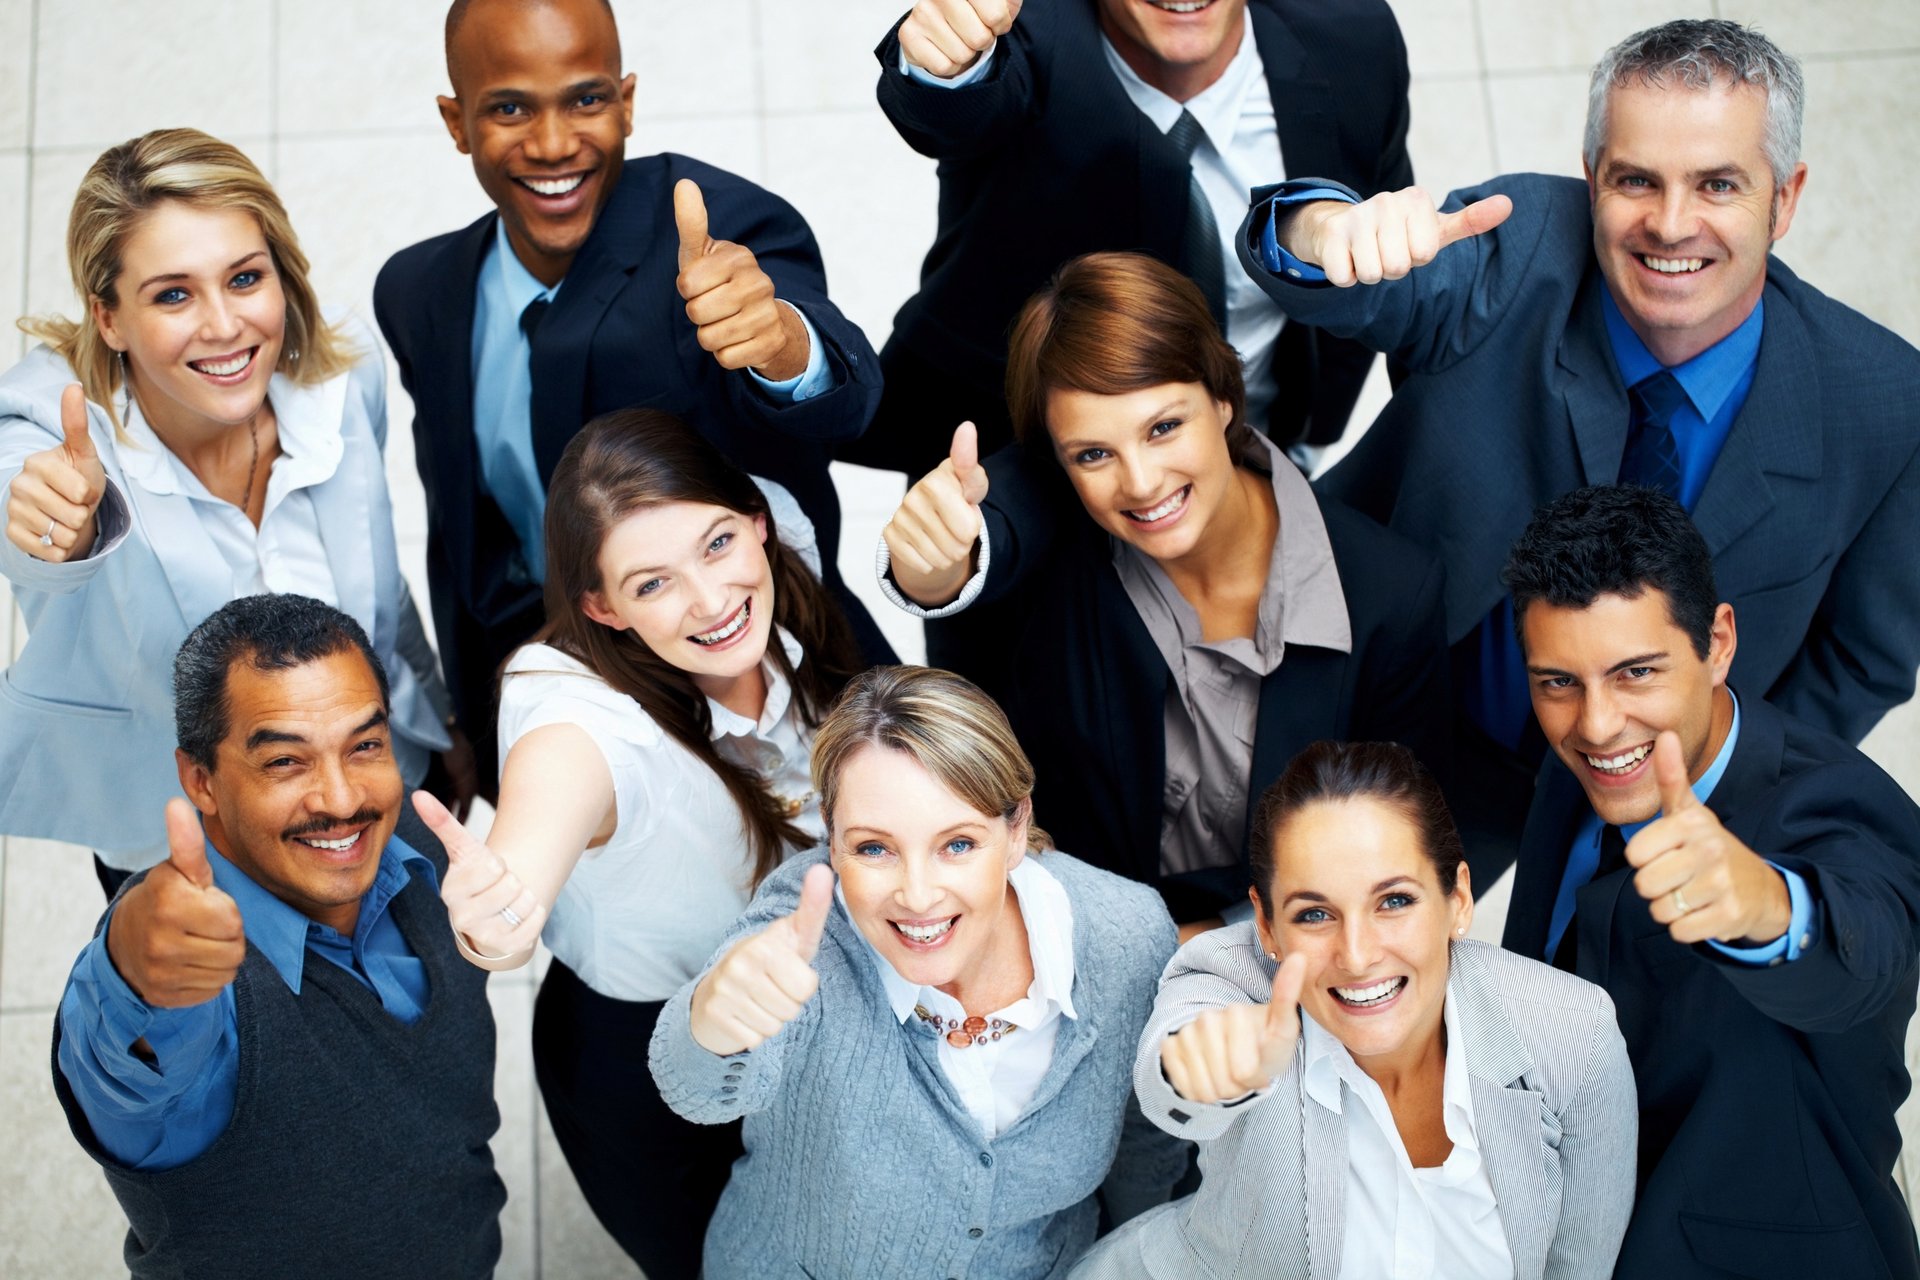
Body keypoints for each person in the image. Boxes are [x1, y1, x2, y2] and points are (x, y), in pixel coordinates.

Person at [1235, 18, 1920, 888]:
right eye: (1637, 180)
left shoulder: (1887, 404)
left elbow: (1860, 660)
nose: (1672, 226)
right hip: (1371, 677)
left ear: (1785, 198)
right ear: (1593, 178)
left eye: (1717, 184)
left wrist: (1716, 791)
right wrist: (1322, 236)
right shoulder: (1523, 250)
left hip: (1616, 783)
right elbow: (1365, 287)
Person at [376, 0, 890, 788]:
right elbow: (464, 532)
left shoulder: (722, 223)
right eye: (510, 108)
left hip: (769, 699)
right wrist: (481, 715)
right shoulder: (418, 291)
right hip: (575, 722)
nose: (553, 145)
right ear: (456, 122)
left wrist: (781, 341)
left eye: (585, 99)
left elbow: (841, 398)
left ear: (627, 102)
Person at [409, 407, 863, 1277]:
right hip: (644, 1055)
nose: (710, 600)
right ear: (601, 607)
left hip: (796, 1009)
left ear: (757, 522)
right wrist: (493, 920)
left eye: (719, 544)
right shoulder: (576, 714)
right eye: (650, 585)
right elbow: (545, 811)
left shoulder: (778, 559)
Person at [878, 252, 1447, 937]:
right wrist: (932, 568)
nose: (1141, 482)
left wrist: (1232, 941)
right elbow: (987, 531)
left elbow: (1392, 839)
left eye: (1164, 427)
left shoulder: (1390, 593)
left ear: (1223, 398)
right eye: (1093, 454)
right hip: (1067, 926)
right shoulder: (1054, 531)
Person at [0, 128, 470, 899]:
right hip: (183, 838)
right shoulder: (48, 427)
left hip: (364, 796)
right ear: (109, 318)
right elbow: (21, 500)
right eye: (174, 294)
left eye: (245, 278)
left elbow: (379, 590)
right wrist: (57, 522)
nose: (223, 326)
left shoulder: (344, 379)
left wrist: (434, 716)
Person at [1499, 485, 1920, 1278]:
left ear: (1718, 642)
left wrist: (1766, 908)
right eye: (1558, 681)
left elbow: (1870, 950)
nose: (1595, 724)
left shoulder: (1837, 801)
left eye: (1637, 673)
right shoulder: (1572, 775)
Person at [650, 665, 1188, 1278]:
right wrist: (714, 1022)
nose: (917, 895)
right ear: (830, 838)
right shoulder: (801, 926)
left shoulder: (1129, 934)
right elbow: (694, 1089)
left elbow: (1146, 1137)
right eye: (874, 848)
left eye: (957, 844)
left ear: (1015, 831)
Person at [50, 594, 506, 1280]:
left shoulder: (417, 848)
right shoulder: (196, 984)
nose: (343, 798)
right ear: (200, 781)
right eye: (285, 762)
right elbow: (127, 1065)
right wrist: (132, 976)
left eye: (365, 745)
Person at [1074, 740, 1636, 1280]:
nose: (1358, 956)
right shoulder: (1230, 975)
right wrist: (1207, 1069)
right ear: (1265, 926)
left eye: (1394, 901)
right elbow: (1169, 1072)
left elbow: (1577, 1264)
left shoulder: (1571, 1032)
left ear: (1458, 900)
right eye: (1314, 914)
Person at [862, 0, 1413, 476]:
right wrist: (945, 62)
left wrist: (1306, 436)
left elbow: (1367, 252)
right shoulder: (1023, 36)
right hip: (1018, 461)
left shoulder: (1354, 39)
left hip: (1253, 435)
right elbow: (955, 106)